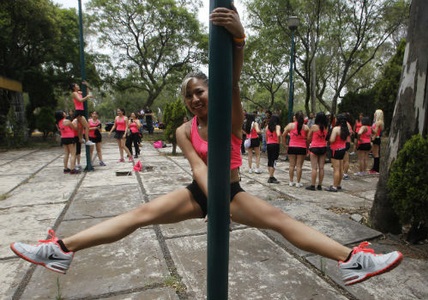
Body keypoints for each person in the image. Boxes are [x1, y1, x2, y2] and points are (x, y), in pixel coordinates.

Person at [10, 6, 402, 287]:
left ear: (209, 90)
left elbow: (230, 85)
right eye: (190, 96)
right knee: (140, 214)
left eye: (200, 91)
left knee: (284, 222)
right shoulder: (183, 130)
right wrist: (209, 195)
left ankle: (353, 260)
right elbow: (198, 168)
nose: (196, 99)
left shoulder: (229, 121)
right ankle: (59, 249)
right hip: (204, 191)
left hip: (229, 190)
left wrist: (239, 39)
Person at [282, 111, 309, 187]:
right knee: (299, 166)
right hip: (302, 147)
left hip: (292, 147)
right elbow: (308, 139)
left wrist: (285, 145)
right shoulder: (306, 127)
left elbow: (283, 135)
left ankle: (291, 181)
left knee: (291, 165)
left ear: (295, 117)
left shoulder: (290, 125)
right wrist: (307, 148)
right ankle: (298, 182)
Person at [325, 114, 350, 192]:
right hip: (343, 148)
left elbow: (332, 139)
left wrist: (328, 140)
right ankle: (338, 184)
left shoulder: (336, 129)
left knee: (336, 169)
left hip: (335, 149)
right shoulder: (346, 129)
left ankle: (334, 186)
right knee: (340, 168)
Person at [306, 112, 328, 191]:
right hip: (323, 148)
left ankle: (312, 185)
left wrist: (308, 146)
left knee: (314, 168)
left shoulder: (314, 127)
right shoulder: (326, 127)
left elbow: (308, 137)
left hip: (314, 147)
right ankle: (320, 185)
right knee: (321, 168)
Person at [69, 82, 95, 146]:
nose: (78, 86)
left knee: (81, 127)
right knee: (87, 126)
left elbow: (87, 94)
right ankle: (87, 140)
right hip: (78, 111)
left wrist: (87, 86)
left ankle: (81, 139)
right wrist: (87, 96)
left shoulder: (79, 92)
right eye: (76, 85)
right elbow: (80, 100)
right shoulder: (74, 93)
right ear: (73, 87)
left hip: (80, 110)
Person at [265, 115, 281, 183]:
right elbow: (278, 134)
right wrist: (278, 141)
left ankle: (271, 175)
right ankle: (271, 177)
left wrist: (267, 141)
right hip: (275, 144)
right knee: (274, 160)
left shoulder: (267, 127)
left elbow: (266, 136)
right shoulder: (277, 126)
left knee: (270, 160)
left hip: (269, 144)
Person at [369, 109, 384, 174]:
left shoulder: (378, 122)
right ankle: (374, 168)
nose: (374, 114)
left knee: (376, 154)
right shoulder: (377, 122)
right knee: (375, 153)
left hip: (376, 138)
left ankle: (376, 169)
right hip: (375, 137)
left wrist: (372, 139)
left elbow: (376, 132)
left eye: (375, 113)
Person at [342, 113, 354, 180]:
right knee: (345, 159)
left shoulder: (345, 124)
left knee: (345, 159)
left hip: (344, 142)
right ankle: (344, 173)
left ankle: (344, 173)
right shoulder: (349, 124)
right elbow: (351, 133)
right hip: (347, 142)